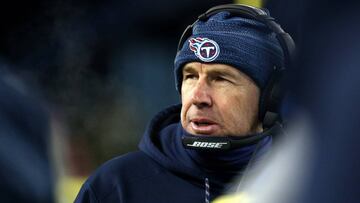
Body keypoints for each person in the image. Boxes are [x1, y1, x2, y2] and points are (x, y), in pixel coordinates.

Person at [75, 4, 294, 203]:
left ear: (271, 98)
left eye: (220, 79)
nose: (198, 97)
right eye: (190, 76)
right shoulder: (115, 187)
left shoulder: (307, 182)